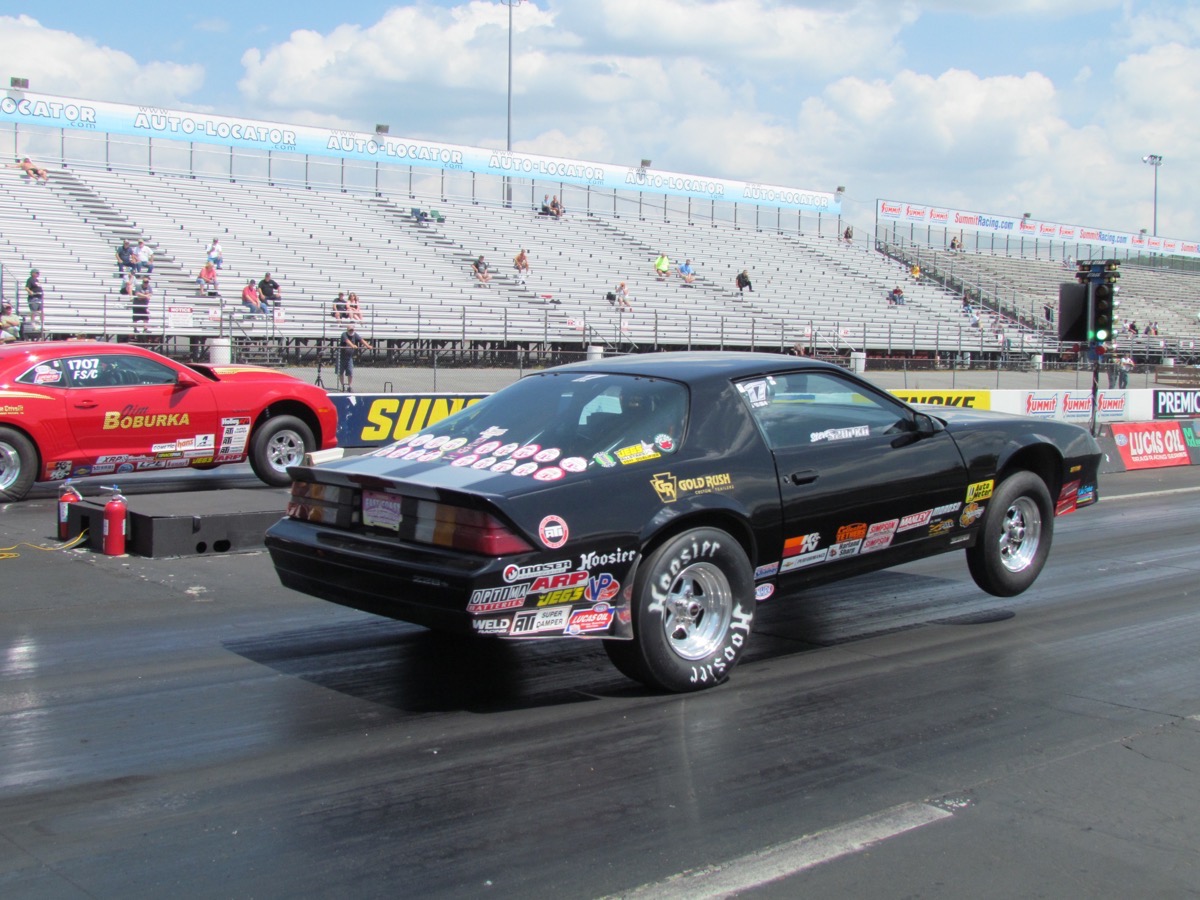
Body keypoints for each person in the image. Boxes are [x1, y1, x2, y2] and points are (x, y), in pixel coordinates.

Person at [336, 323, 373, 392]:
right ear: (347, 330)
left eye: (352, 330)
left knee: (350, 371)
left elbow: (361, 340)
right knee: (341, 372)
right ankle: (342, 385)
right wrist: (352, 345)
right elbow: (347, 341)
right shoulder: (344, 334)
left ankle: (349, 386)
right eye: (350, 330)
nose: (351, 331)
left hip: (349, 357)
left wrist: (368, 346)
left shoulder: (355, 335)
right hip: (341, 356)